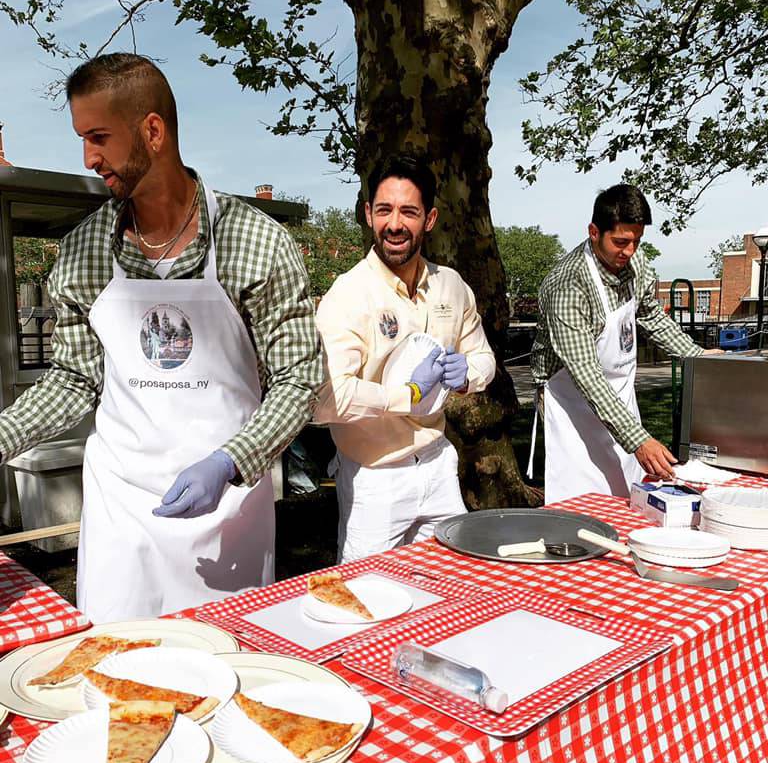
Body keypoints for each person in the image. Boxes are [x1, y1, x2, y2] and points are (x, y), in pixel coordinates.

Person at [0, 53, 324, 621]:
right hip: (121, 509)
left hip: (229, 506)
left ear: (153, 131)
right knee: (114, 676)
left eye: (98, 136)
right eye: (81, 138)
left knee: (230, 672)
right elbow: (74, 381)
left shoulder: (257, 242)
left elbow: (299, 378)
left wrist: (229, 462)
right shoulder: (82, 253)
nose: (88, 157)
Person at [314, 153, 496, 562]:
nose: (394, 224)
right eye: (384, 210)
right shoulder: (348, 295)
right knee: (367, 599)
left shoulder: (451, 285)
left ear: (429, 220)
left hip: (438, 466)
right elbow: (326, 399)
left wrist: (469, 374)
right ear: (367, 214)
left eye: (408, 212)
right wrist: (405, 394)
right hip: (374, 478)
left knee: (452, 586)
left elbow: (483, 356)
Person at [530, 183, 721, 504]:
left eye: (637, 241)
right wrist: (638, 439)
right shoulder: (567, 286)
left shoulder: (635, 263)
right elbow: (586, 375)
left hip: (620, 392)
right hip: (570, 402)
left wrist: (698, 358)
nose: (629, 251)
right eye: (620, 242)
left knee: (627, 490)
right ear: (594, 232)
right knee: (583, 498)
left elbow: (651, 317)